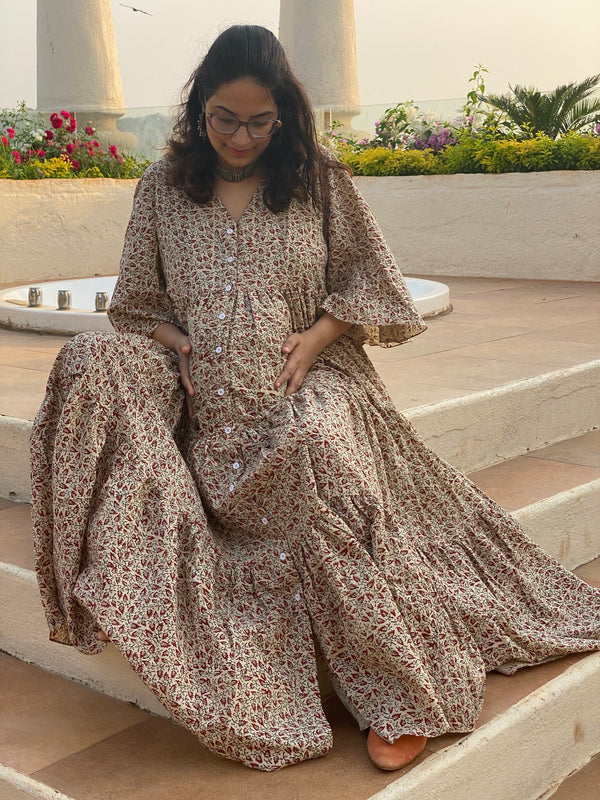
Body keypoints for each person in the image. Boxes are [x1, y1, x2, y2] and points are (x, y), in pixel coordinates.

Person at [30, 24, 600, 773]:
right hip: (210, 400)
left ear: (284, 114)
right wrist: (180, 351)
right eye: (224, 118)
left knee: (314, 451)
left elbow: (376, 283)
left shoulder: (316, 178)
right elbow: (136, 305)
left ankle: (397, 690)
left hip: (315, 381)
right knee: (90, 358)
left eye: (258, 120)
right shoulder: (163, 191)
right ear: (200, 109)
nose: (240, 136)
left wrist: (320, 334)